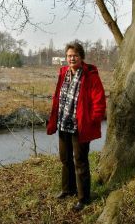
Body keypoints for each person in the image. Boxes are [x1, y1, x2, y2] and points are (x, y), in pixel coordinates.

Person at [47, 42, 106, 211]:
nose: (72, 58)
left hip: (80, 126)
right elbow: (58, 97)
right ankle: (68, 189)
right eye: (69, 56)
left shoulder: (90, 75)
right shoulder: (64, 73)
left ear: (81, 57)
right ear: (66, 58)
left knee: (80, 161)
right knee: (65, 159)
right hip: (63, 123)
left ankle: (84, 197)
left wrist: (93, 119)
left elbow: (99, 99)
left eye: (75, 55)